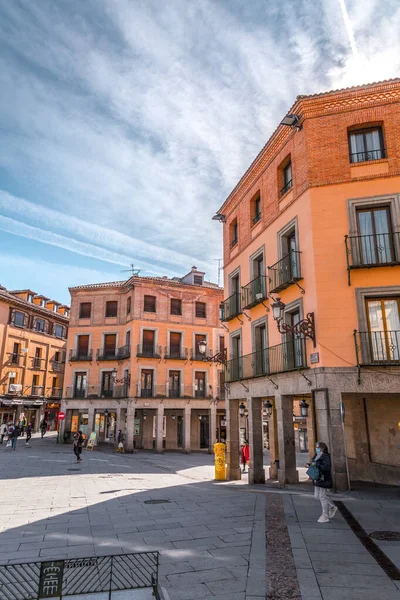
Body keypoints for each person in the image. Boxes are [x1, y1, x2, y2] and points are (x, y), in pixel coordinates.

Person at [306, 441, 337, 524]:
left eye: (318, 448)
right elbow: (314, 463)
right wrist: (309, 464)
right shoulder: (317, 455)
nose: (317, 449)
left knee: (322, 496)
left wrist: (316, 465)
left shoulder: (326, 456)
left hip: (323, 478)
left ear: (323, 448)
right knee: (317, 496)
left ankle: (325, 515)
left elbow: (326, 467)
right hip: (317, 478)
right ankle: (332, 506)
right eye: (316, 447)